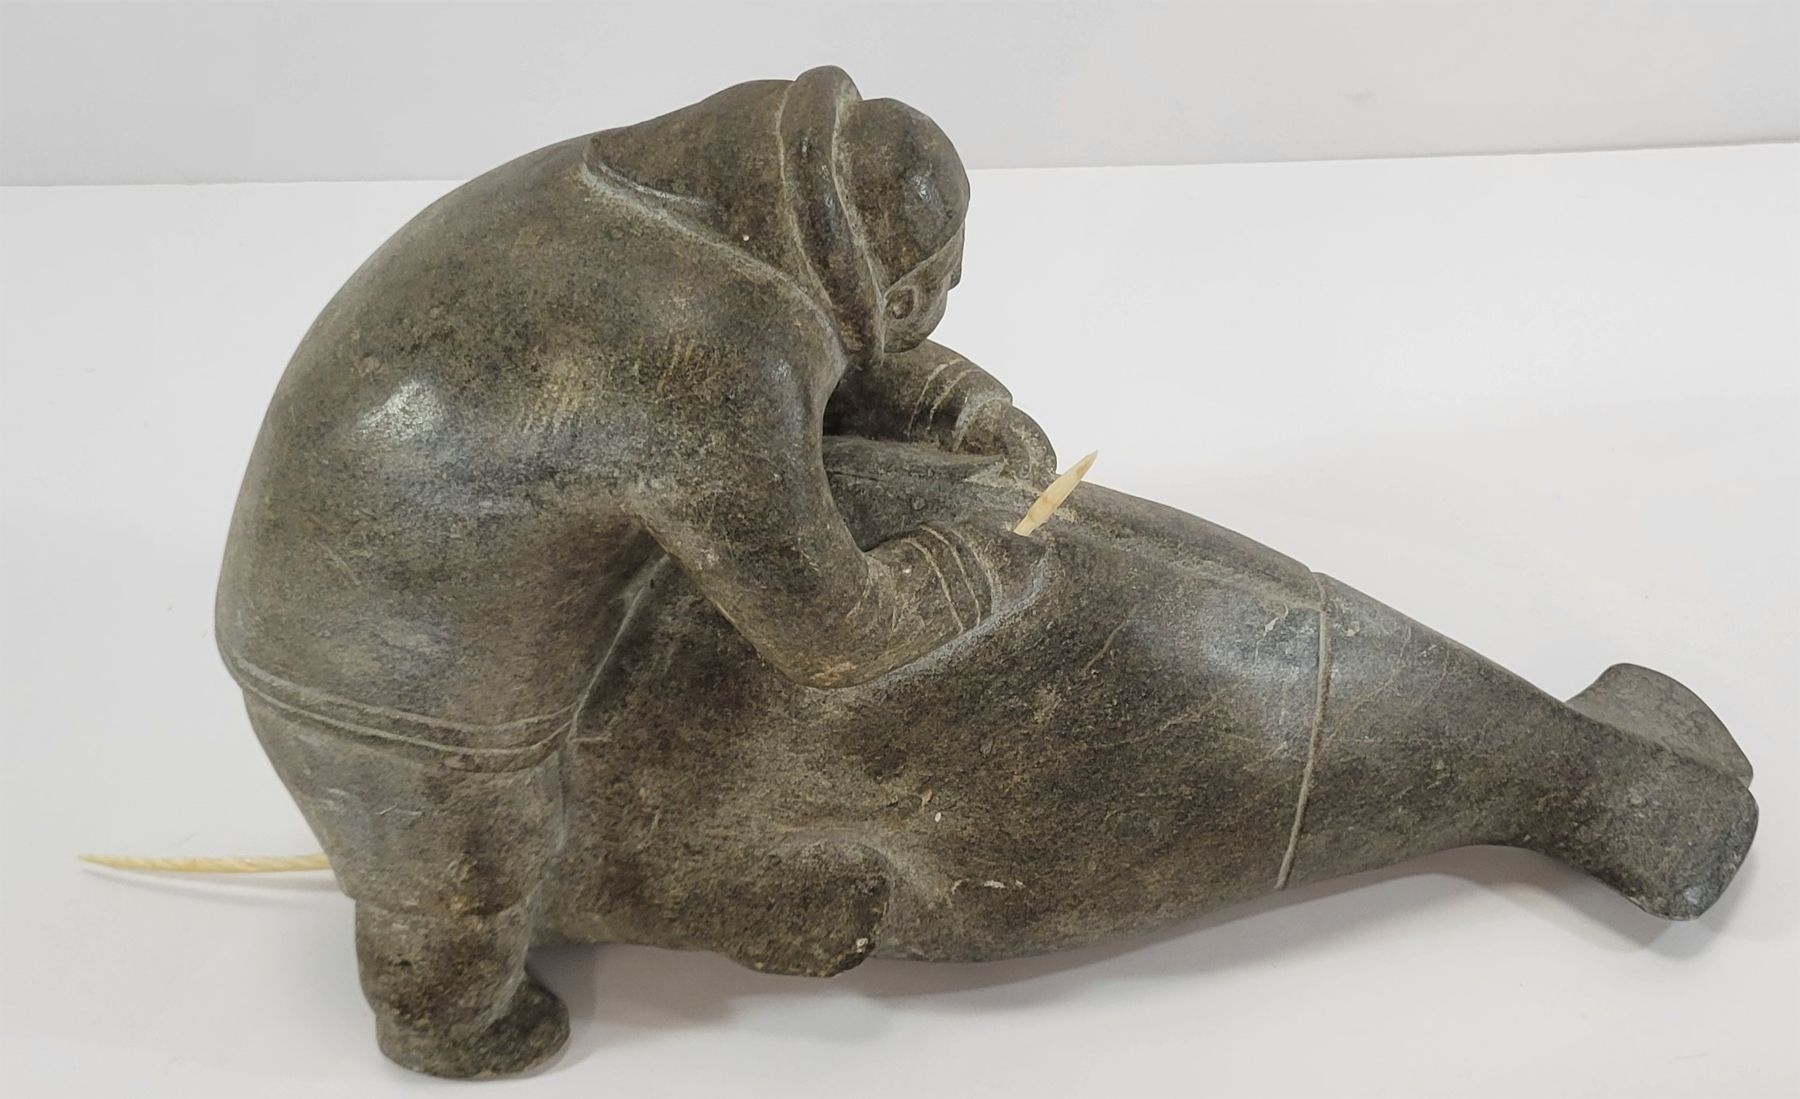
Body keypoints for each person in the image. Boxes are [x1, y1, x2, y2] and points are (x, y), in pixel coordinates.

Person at [216, 66, 1053, 1076]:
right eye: (932, 293)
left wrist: (952, 402)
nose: (941, 310)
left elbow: (823, 348)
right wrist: (977, 563)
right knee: (466, 864)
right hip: (379, 669)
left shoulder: (693, 193)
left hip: (359, 557)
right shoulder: (718, 343)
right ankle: (446, 1020)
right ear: (894, 285)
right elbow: (832, 632)